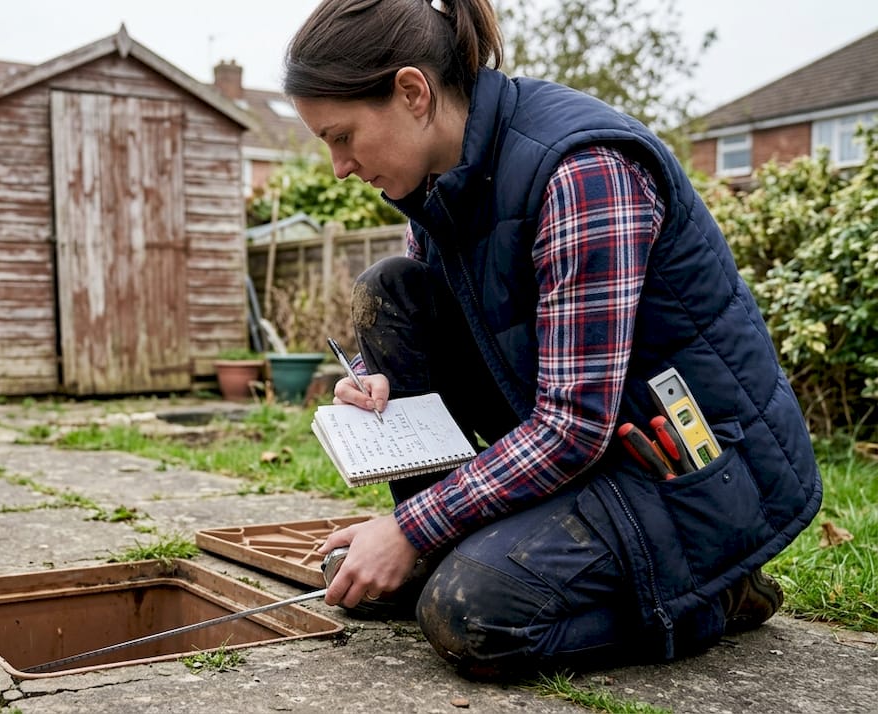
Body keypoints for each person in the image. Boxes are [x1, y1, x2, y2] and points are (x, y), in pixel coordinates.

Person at [285, 0, 822, 677]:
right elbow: (453, 324)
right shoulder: (440, 185)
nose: (338, 166)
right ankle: (456, 552)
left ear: (412, 92)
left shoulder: (582, 171)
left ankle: (713, 595)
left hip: (693, 475)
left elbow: (573, 426)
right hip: (587, 456)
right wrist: (375, 376)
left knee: (468, 615)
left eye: (342, 136)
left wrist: (409, 529)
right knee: (391, 289)